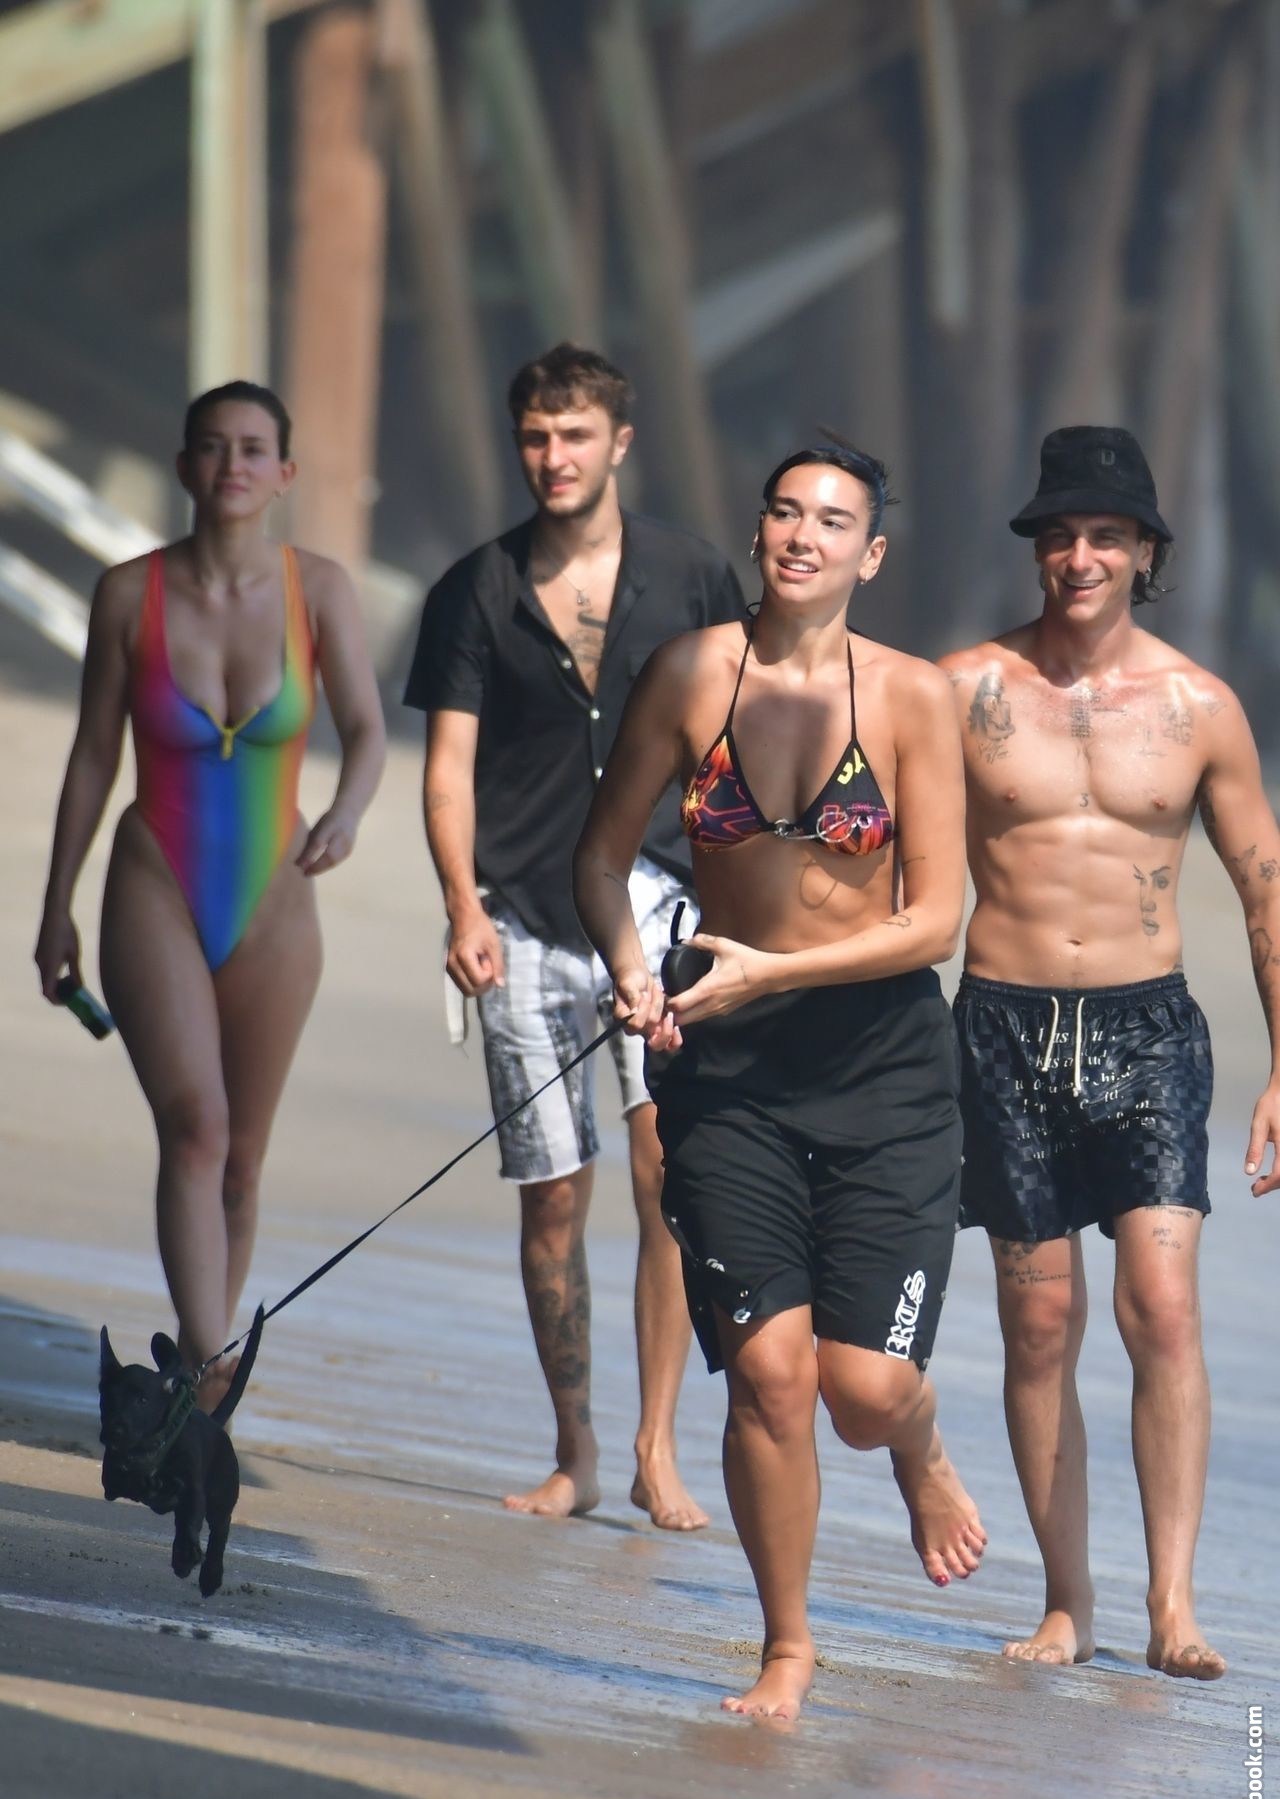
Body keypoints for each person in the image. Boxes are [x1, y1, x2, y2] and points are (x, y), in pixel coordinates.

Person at [574, 441, 986, 1721]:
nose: (803, 536)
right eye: (784, 512)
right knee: (768, 1375)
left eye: (833, 521)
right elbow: (599, 862)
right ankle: (786, 1649)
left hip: (883, 1072)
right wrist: (633, 969)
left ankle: (917, 1440)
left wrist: (775, 973)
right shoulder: (690, 673)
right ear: (757, 533)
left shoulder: (912, 697)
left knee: (862, 1393)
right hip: (727, 1072)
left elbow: (935, 921)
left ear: (872, 553)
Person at [941, 425, 1280, 1682]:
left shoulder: (1198, 709)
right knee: (1037, 1325)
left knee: (1162, 1307)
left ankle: (1172, 1605)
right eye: (1059, 535)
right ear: (1036, 548)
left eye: (1103, 536)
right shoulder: (962, 688)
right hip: (1001, 1027)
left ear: (1144, 551)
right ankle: (1065, 1604)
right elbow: (866, 839)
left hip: (1146, 1034)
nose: (1078, 557)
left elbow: (1263, 892)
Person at [404, 342, 745, 1528]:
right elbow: (446, 771)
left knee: (664, 1179)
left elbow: (736, 744)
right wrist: (459, 904)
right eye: (535, 437)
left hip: (657, 907)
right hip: (523, 916)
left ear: (619, 444)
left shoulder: (692, 576)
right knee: (550, 1198)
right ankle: (577, 1451)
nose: (553, 456)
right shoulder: (475, 590)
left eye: (575, 435)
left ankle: (655, 1446)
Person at [35, 381, 386, 1409]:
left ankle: (197, 1393)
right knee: (194, 1126)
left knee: (241, 1160)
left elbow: (367, 731)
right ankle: (208, 1351)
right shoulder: (127, 593)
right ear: (186, 467)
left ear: (283, 474)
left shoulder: (319, 590)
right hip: (155, 880)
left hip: (277, 900)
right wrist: (55, 908)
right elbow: (93, 757)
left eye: (253, 448)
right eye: (213, 446)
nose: (233, 464)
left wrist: (347, 812)